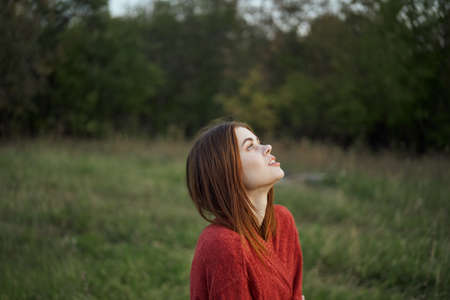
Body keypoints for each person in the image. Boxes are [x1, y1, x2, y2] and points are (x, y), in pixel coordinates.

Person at [186, 121, 304, 300]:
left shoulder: (283, 221)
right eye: (250, 146)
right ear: (225, 170)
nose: (268, 147)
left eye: (259, 141)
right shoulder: (223, 245)